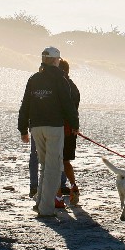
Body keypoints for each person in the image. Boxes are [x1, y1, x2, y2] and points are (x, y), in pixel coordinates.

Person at [18, 46, 79, 218]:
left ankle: (40, 203)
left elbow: (25, 105)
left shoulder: (34, 78)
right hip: (54, 127)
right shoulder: (60, 79)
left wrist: (23, 128)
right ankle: (46, 208)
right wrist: (74, 124)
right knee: (53, 167)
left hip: (36, 127)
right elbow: (67, 104)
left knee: (44, 166)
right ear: (55, 60)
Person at [59, 59, 82, 207]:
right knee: (65, 161)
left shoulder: (61, 86)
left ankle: (58, 195)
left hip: (61, 129)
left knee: (55, 162)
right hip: (71, 129)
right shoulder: (73, 87)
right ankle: (73, 185)